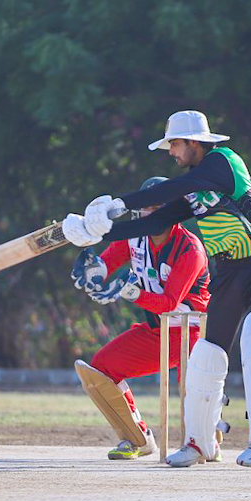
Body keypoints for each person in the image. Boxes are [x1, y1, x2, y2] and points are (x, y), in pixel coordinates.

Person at [63, 110, 251, 468]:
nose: (171, 152)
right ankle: (199, 443)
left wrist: (118, 204)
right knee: (207, 355)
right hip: (229, 271)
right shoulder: (195, 187)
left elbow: (171, 189)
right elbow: (155, 220)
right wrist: (99, 232)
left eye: (174, 144)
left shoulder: (223, 162)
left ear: (194, 142)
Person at [72, 176, 211, 460]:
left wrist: (129, 291)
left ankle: (209, 437)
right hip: (156, 330)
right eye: (146, 207)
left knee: (194, 391)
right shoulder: (134, 238)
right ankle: (138, 438)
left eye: (156, 207)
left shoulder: (190, 249)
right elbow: (106, 264)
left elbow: (169, 303)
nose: (149, 214)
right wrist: (91, 271)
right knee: (102, 368)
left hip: (191, 333)